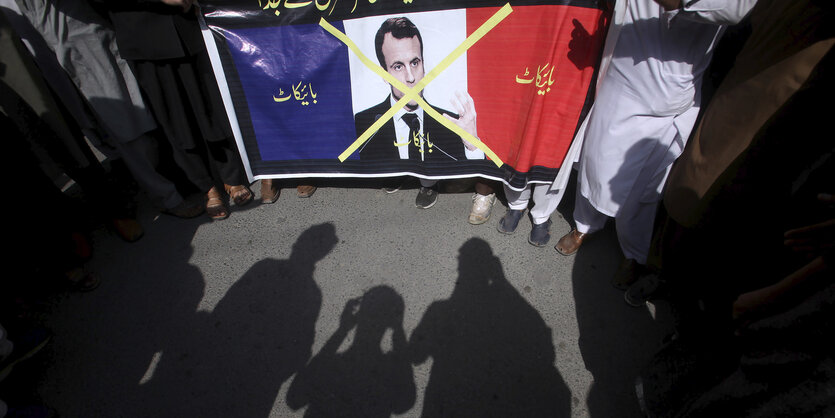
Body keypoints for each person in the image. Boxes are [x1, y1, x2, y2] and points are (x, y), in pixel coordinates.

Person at [552, 0, 756, 287]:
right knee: (597, 163)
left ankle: (633, 253)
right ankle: (585, 227)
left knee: (648, 187)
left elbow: (738, 9)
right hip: (625, 78)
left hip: (677, 90)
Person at [355, 17, 484, 209]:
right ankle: (395, 174)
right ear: (384, 74)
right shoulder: (364, 121)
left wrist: (471, 143)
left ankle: (428, 184)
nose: (410, 77)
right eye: (398, 67)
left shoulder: (449, 121)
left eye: (415, 63)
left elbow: (474, 169)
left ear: (424, 64)